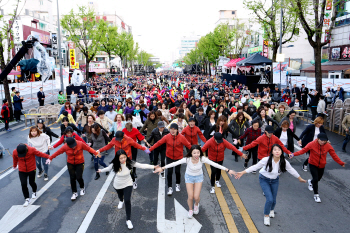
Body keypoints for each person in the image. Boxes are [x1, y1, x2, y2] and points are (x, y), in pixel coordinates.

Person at [154, 145, 236, 218]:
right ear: (191, 153)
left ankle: (196, 204)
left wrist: (228, 170)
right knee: (190, 196)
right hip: (189, 177)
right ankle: (190, 209)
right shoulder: (187, 159)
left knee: (196, 197)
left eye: (198, 153)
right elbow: (174, 163)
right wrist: (162, 168)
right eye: (194, 153)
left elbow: (215, 164)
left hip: (198, 177)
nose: (196, 155)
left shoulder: (202, 159)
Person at [235, 144, 306, 226]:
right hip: (264, 179)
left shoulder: (284, 161)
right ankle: (266, 216)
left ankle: (272, 210)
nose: (277, 151)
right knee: (270, 199)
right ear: (272, 151)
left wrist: (299, 178)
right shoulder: (266, 159)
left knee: (274, 199)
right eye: (275, 150)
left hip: (275, 180)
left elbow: (291, 170)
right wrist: (242, 172)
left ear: (281, 152)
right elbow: (255, 167)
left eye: (279, 150)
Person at [97, 149, 157, 230]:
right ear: (117, 158)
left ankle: (128, 220)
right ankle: (121, 200)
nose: (123, 160)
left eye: (124, 157)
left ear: (126, 156)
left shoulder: (130, 162)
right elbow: (108, 168)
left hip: (128, 183)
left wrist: (154, 166)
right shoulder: (114, 164)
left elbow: (142, 166)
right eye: (121, 158)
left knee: (127, 200)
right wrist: (101, 170)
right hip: (117, 184)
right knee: (120, 196)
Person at [290, 133, 345, 203]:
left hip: (322, 165)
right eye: (321, 140)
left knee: (318, 179)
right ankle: (316, 195)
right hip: (312, 164)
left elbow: (334, 155)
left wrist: (341, 163)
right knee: (316, 179)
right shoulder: (311, 144)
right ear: (318, 139)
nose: (323, 142)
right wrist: (293, 154)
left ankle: (310, 181)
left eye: (324, 141)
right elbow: (303, 151)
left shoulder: (328, 146)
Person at [148, 123, 191, 195]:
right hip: (169, 157)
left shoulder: (181, 137)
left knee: (177, 172)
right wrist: (150, 149)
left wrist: (196, 152)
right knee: (169, 172)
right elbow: (158, 143)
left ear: (177, 130)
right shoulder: (167, 137)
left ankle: (177, 184)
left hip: (178, 157)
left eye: (174, 129)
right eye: (171, 129)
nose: (172, 131)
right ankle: (170, 187)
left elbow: (188, 145)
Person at [123, 122, 150, 187]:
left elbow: (141, 137)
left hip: (134, 146)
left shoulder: (135, 130)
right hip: (126, 147)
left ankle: (134, 172)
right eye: (128, 129)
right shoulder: (123, 130)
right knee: (127, 161)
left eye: (130, 129)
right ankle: (127, 174)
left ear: (132, 127)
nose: (129, 131)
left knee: (133, 160)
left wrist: (146, 142)